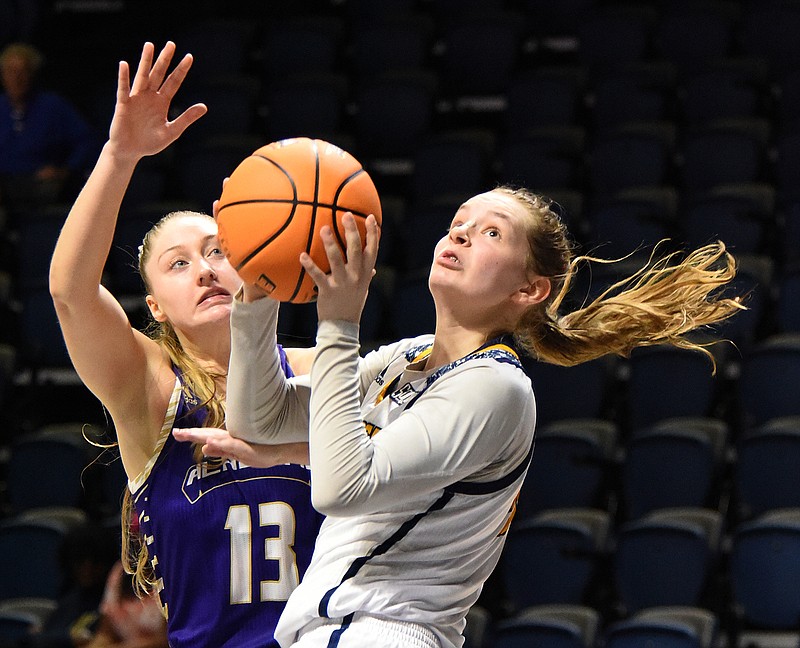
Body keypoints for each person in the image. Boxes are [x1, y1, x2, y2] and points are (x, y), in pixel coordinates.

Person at [180, 183, 745, 647]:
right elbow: (260, 418)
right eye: (460, 221)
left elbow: (341, 490)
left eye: (491, 232)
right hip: (335, 628)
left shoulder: (495, 387)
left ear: (530, 289)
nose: (461, 232)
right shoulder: (406, 359)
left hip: (383, 632)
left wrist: (338, 325)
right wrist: (257, 293)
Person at [48, 41, 324, 648]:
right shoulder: (149, 387)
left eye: (218, 251)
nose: (204, 269)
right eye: (178, 264)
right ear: (154, 307)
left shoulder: (315, 371)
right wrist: (121, 154)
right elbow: (69, 292)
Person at [0, 42, 97, 215]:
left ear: (32, 74)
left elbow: (85, 140)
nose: (17, 78)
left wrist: (65, 171)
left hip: (41, 183)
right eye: (11, 71)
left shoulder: (52, 105)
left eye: (23, 71)